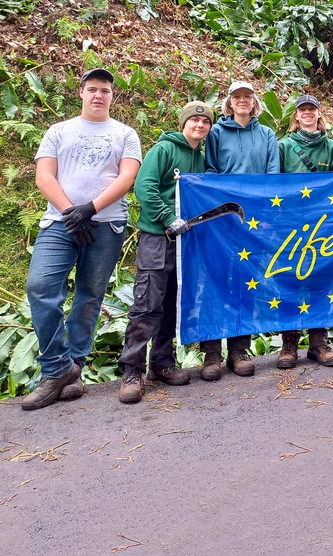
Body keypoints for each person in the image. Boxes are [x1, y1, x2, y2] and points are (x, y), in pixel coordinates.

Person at [22, 68, 142, 411]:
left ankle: (73, 369)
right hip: (59, 224)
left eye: (105, 90)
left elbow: (127, 176)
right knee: (41, 288)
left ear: (112, 95)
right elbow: (44, 176)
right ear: (81, 93)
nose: (98, 95)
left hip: (106, 226)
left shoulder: (125, 133)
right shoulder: (59, 131)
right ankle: (58, 369)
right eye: (92, 89)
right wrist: (70, 213)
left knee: (89, 297)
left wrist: (89, 209)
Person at [117, 102, 214, 403]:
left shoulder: (201, 158)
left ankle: (161, 362)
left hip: (186, 240)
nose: (199, 125)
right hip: (158, 237)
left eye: (205, 121)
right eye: (194, 120)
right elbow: (144, 187)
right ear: (184, 122)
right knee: (147, 303)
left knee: (174, 301)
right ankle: (132, 370)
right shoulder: (163, 150)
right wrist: (166, 217)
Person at [200, 80, 280, 380]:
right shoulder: (217, 133)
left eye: (248, 96)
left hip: (254, 221)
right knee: (215, 279)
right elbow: (210, 171)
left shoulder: (267, 134)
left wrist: (265, 211)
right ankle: (211, 352)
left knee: (245, 281)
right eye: (237, 97)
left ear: (254, 102)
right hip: (222, 219)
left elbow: (274, 176)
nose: (242, 101)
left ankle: (238, 349)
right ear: (229, 102)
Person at [275, 94, 333, 369]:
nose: (307, 113)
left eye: (311, 109)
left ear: (318, 114)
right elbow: (273, 185)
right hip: (290, 224)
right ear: (296, 115)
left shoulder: (332, 149)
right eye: (302, 109)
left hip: (321, 225)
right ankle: (289, 343)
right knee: (290, 279)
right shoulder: (284, 147)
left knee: (319, 279)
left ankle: (318, 342)